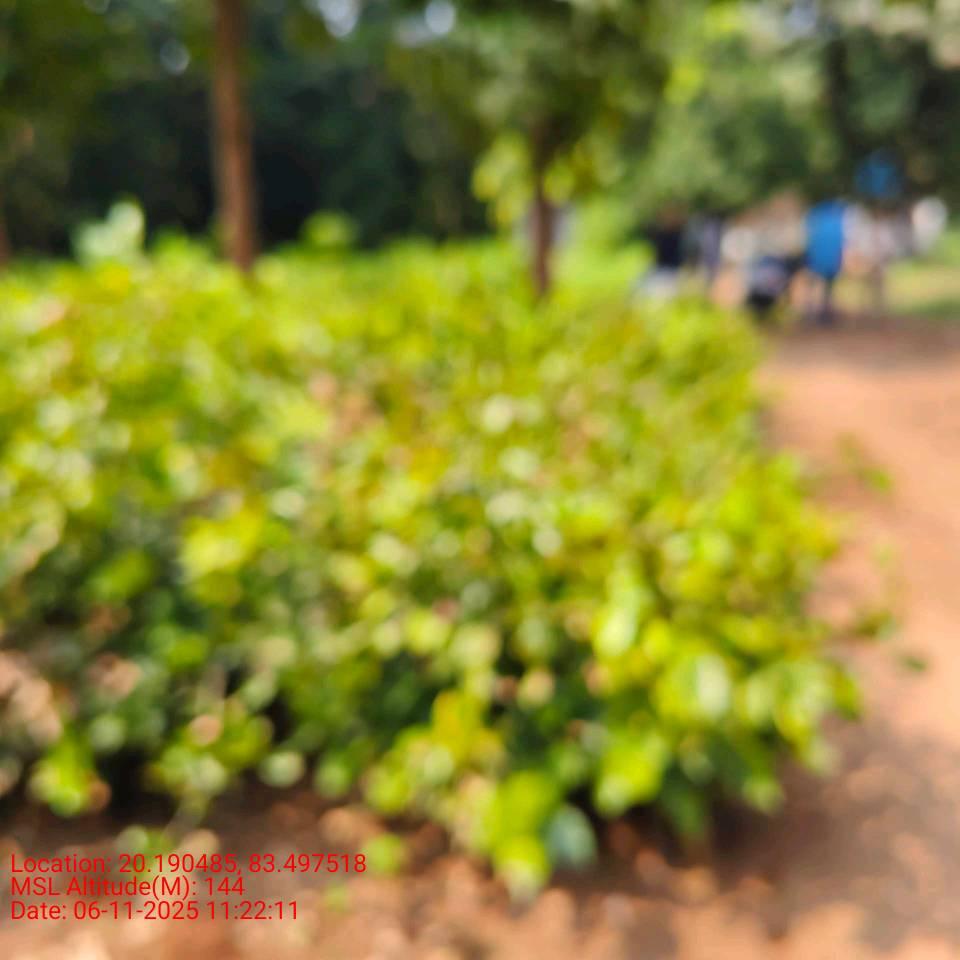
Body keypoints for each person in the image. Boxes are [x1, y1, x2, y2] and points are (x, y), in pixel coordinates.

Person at [805, 198, 847, 326]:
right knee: (827, 287)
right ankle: (824, 311)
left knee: (815, 285)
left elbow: (810, 239)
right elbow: (840, 243)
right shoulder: (837, 221)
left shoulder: (816, 218)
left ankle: (812, 311)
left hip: (817, 259)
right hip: (830, 260)